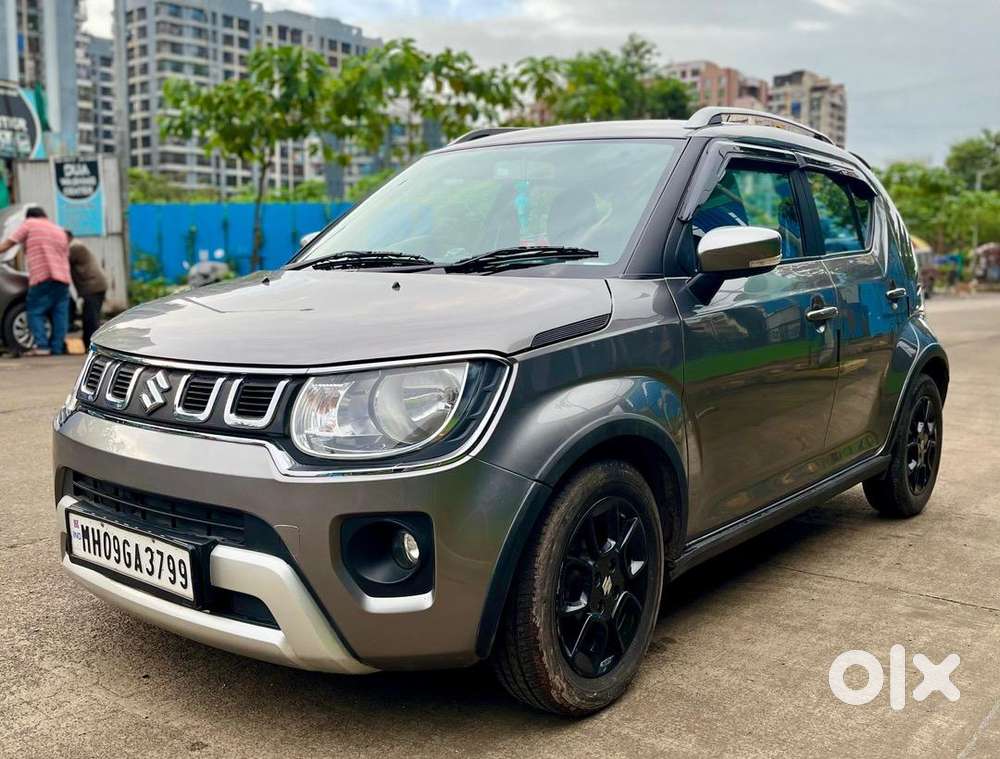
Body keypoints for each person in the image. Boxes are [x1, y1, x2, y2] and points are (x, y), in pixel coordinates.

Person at [0, 206, 71, 355]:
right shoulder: (58, 230)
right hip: (63, 278)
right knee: (60, 314)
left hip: (43, 276)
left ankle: (42, 346)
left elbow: (9, 243)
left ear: (29, 217)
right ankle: (57, 348)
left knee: (35, 311)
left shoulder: (30, 224)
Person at [66, 231, 108, 350]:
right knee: (89, 317)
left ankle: (94, 347)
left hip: (93, 286)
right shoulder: (75, 245)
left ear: (68, 237)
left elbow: (62, 261)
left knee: (91, 318)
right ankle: (88, 345)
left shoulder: (75, 247)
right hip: (93, 286)